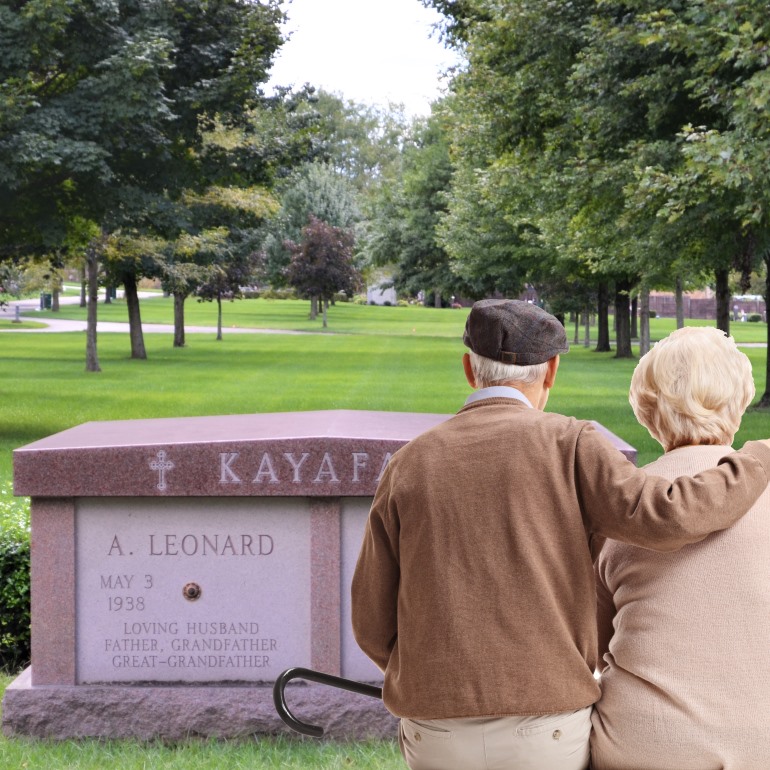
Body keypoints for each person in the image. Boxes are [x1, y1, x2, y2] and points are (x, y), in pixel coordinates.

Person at [351, 299, 770, 770]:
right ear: (550, 372)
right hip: (546, 727)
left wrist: (436, 679)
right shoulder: (572, 444)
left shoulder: (408, 463)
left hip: (436, 729)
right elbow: (668, 514)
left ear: (470, 369)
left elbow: (371, 620)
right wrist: (757, 460)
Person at [591, 326, 770, 770]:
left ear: (647, 410)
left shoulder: (619, 505)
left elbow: (590, 643)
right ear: (740, 399)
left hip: (645, 743)